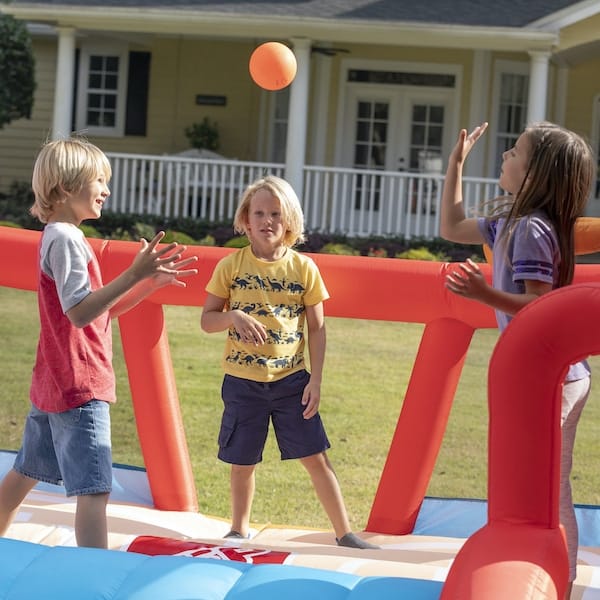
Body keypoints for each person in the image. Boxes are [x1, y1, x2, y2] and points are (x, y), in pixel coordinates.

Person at [0, 137, 198, 549]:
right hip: (79, 384)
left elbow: (96, 312)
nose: (106, 190)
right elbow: (80, 312)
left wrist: (144, 284)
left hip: (55, 379)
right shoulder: (68, 239)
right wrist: (132, 272)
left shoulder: (57, 235)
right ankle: (95, 577)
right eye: (98, 180)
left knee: (24, 473)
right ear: (68, 187)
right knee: (94, 490)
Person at [440, 121, 595, 598]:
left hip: (557, 378)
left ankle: (560, 580)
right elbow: (450, 226)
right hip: (544, 376)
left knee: (551, 486)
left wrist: (486, 293)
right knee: (546, 482)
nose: (504, 155)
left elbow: (541, 308)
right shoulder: (510, 221)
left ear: (535, 173)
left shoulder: (532, 230)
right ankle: (554, 574)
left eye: (514, 152)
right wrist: (456, 165)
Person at [200, 175, 378, 550]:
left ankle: (345, 532)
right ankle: (238, 528)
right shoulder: (230, 267)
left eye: (276, 214)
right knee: (242, 461)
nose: (267, 221)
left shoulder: (303, 269)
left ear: (289, 223)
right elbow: (207, 320)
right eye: (259, 213)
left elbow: (317, 329)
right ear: (245, 220)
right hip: (242, 382)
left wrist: (316, 380)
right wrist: (233, 317)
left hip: (292, 382)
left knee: (315, 457)